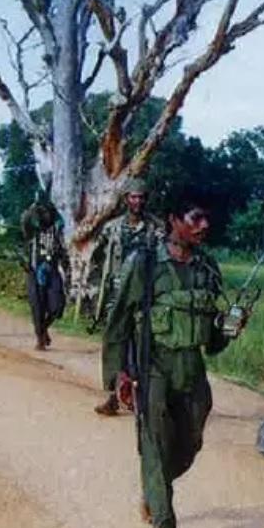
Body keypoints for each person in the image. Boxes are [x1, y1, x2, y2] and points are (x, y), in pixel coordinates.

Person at [101, 191, 246, 528]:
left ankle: (154, 489)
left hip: (192, 369)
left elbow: (212, 342)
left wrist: (230, 327)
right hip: (153, 367)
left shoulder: (207, 269)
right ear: (173, 220)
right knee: (155, 443)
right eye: (195, 218)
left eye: (205, 219)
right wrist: (118, 374)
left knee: (189, 444)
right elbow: (117, 322)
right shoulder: (145, 264)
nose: (204, 226)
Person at [92, 177, 166, 416]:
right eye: (133, 197)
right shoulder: (112, 228)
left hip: (145, 297)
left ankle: (142, 398)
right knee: (114, 344)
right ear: (126, 199)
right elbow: (97, 259)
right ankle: (113, 396)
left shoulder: (157, 229)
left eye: (141, 197)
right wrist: (95, 292)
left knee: (144, 347)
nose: (138, 201)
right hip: (117, 295)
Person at [19, 193, 69, 351]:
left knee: (57, 306)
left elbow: (62, 248)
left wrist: (66, 265)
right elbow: (25, 220)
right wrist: (33, 208)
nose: (44, 216)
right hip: (33, 270)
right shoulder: (31, 228)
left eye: (47, 212)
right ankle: (40, 337)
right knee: (37, 306)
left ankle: (43, 329)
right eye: (41, 212)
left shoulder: (57, 226)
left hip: (52, 268)